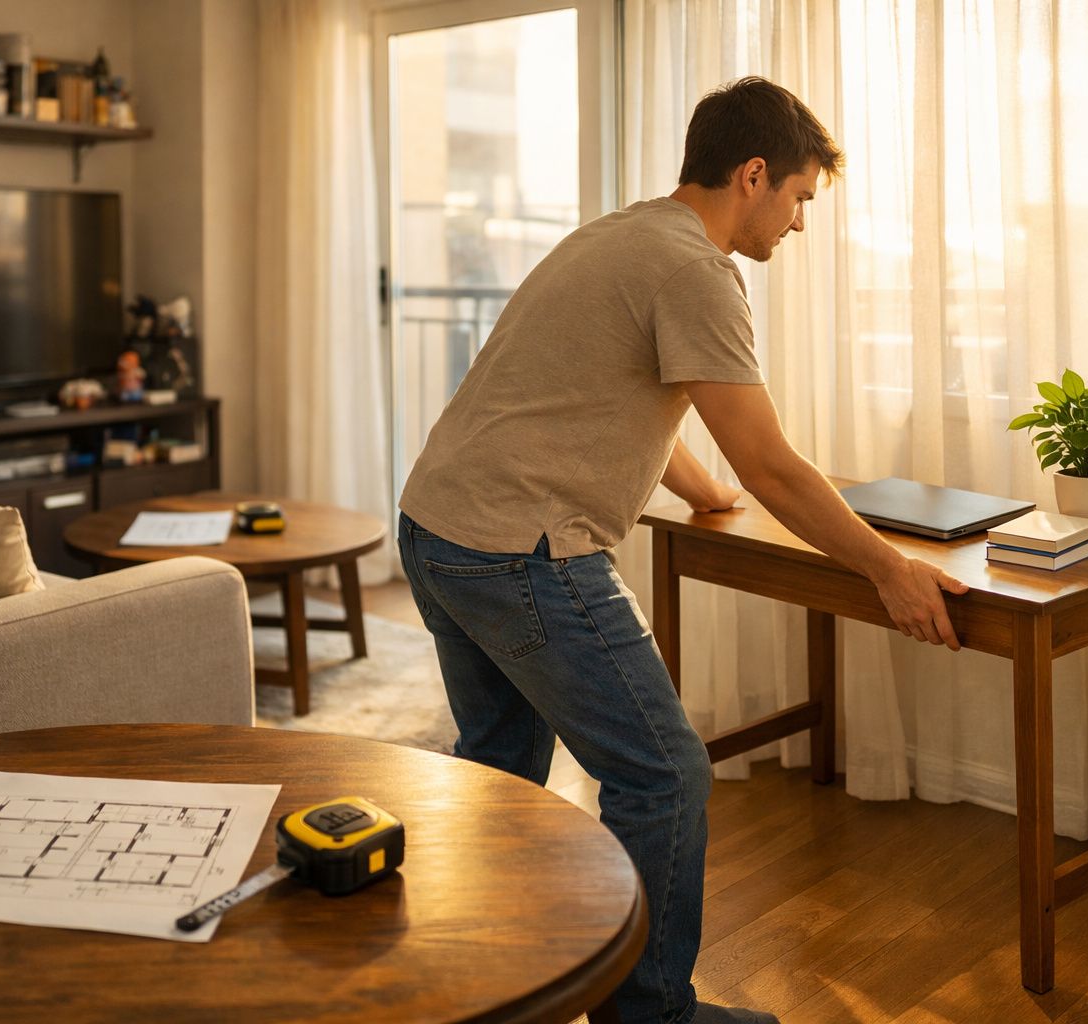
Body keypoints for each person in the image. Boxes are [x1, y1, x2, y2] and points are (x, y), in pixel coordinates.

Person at [397, 76, 968, 1024]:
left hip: (439, 526)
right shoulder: (697, 272)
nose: (797, 224)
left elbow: (609, 391)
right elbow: (775, 467)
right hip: (518, 550)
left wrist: (707, 492)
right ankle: (650, 1014)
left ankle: (486, 978)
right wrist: (889, 568)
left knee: (500, 767)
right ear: (754, 175)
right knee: (662, 774)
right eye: (798, 200)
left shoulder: (623, 233)